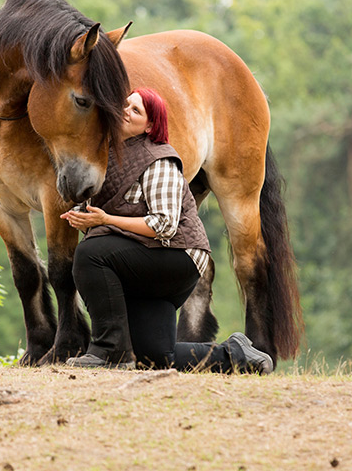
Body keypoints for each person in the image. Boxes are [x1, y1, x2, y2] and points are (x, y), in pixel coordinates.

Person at [61, 87, 273, 373]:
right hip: (148, 258)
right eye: (125, 104)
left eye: (136, 110)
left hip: (178, 258)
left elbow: (164, 225)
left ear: (149, 125)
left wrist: (105, 220)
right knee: (154, 356)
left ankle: (107, 352)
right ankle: (237, 355)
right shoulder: (108, 154)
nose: (125, 110)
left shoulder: (158, 160)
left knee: (89, 254)